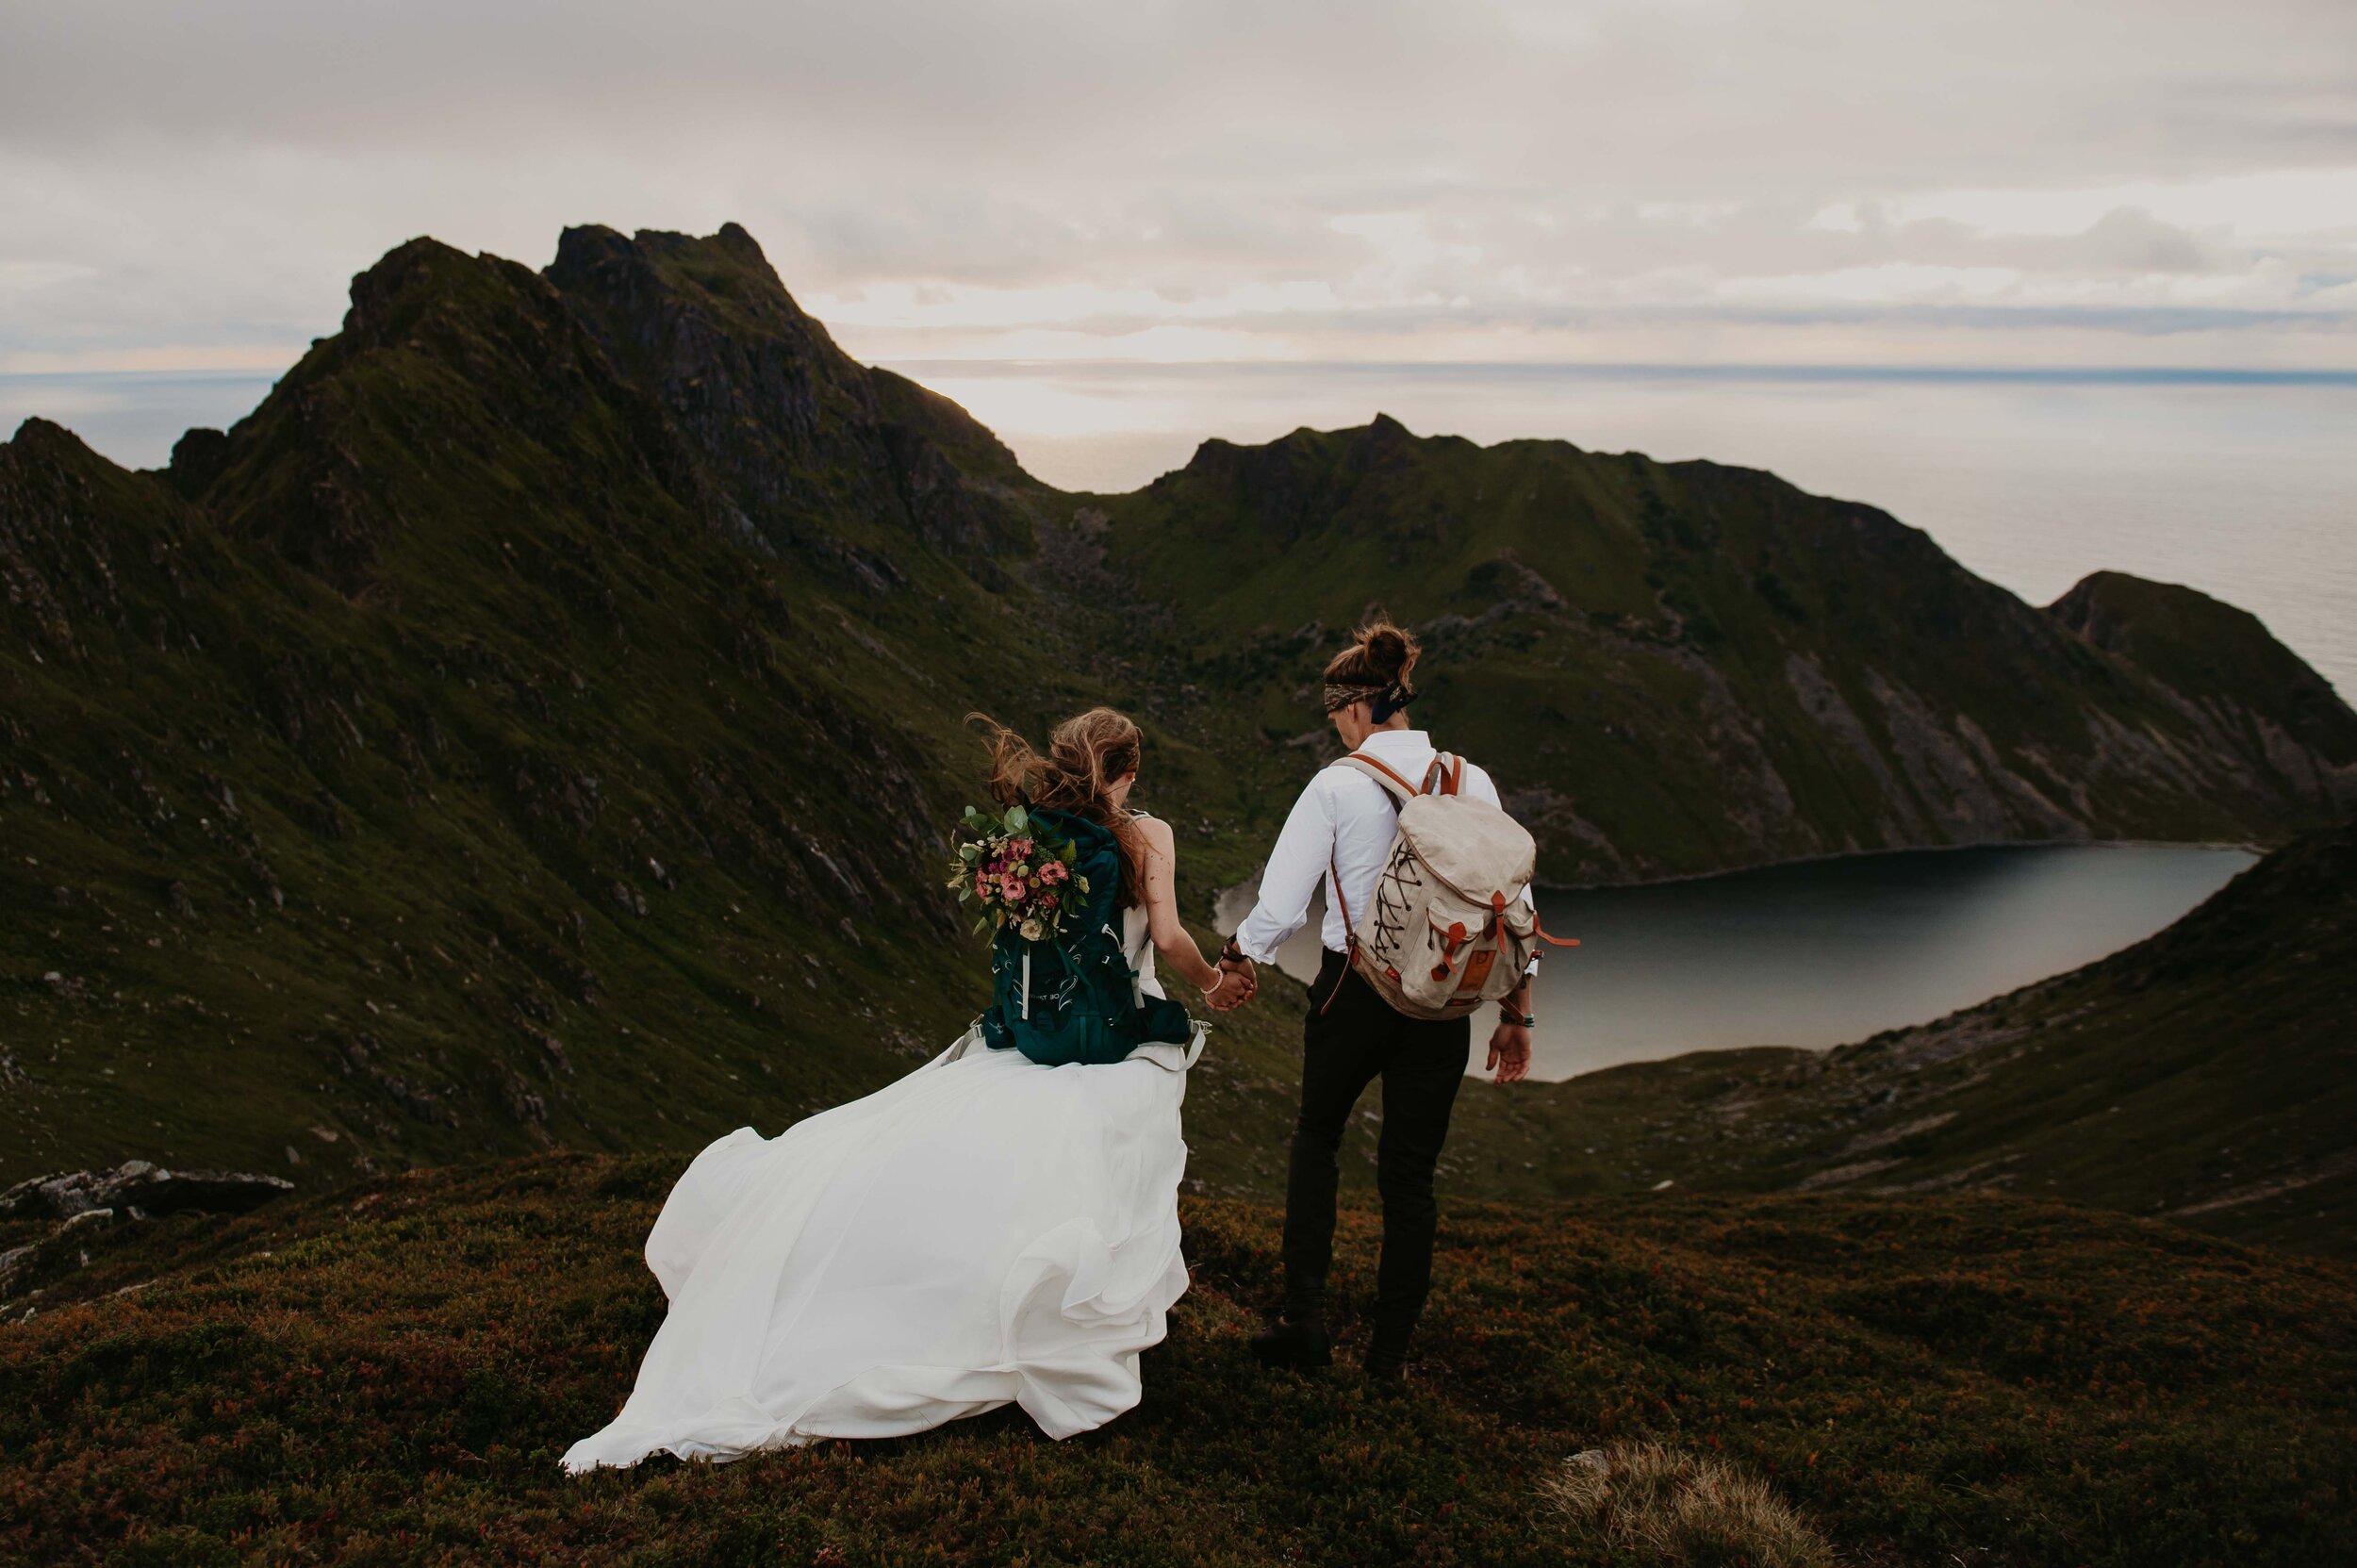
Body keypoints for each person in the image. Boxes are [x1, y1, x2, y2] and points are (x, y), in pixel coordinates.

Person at [563, 708, 1248, 1471]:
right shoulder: (1147, 835)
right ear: (1129, 774)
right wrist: (1215, 985)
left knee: (953, 1170)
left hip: (1033, 1036)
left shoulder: (1030, 834)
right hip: (1112, 1040)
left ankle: (964, 1301)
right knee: (1097, 1172)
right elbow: (1171, 936)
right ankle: (1066, 1321)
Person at [1222, 619, 1534, 1381]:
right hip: (1442, 1008)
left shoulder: (1338, 783)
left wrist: (1238, 957)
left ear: (1356, 708)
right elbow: (1513, 903)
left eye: (1335, 715)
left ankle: (1306, 1324)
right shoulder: (1474, 780)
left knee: (1317, 1140)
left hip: (1353, 995)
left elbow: (1283, 902)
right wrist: (1516, 1012)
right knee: (1409, 1177)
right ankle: (1388, 1360)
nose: (1336, 728)